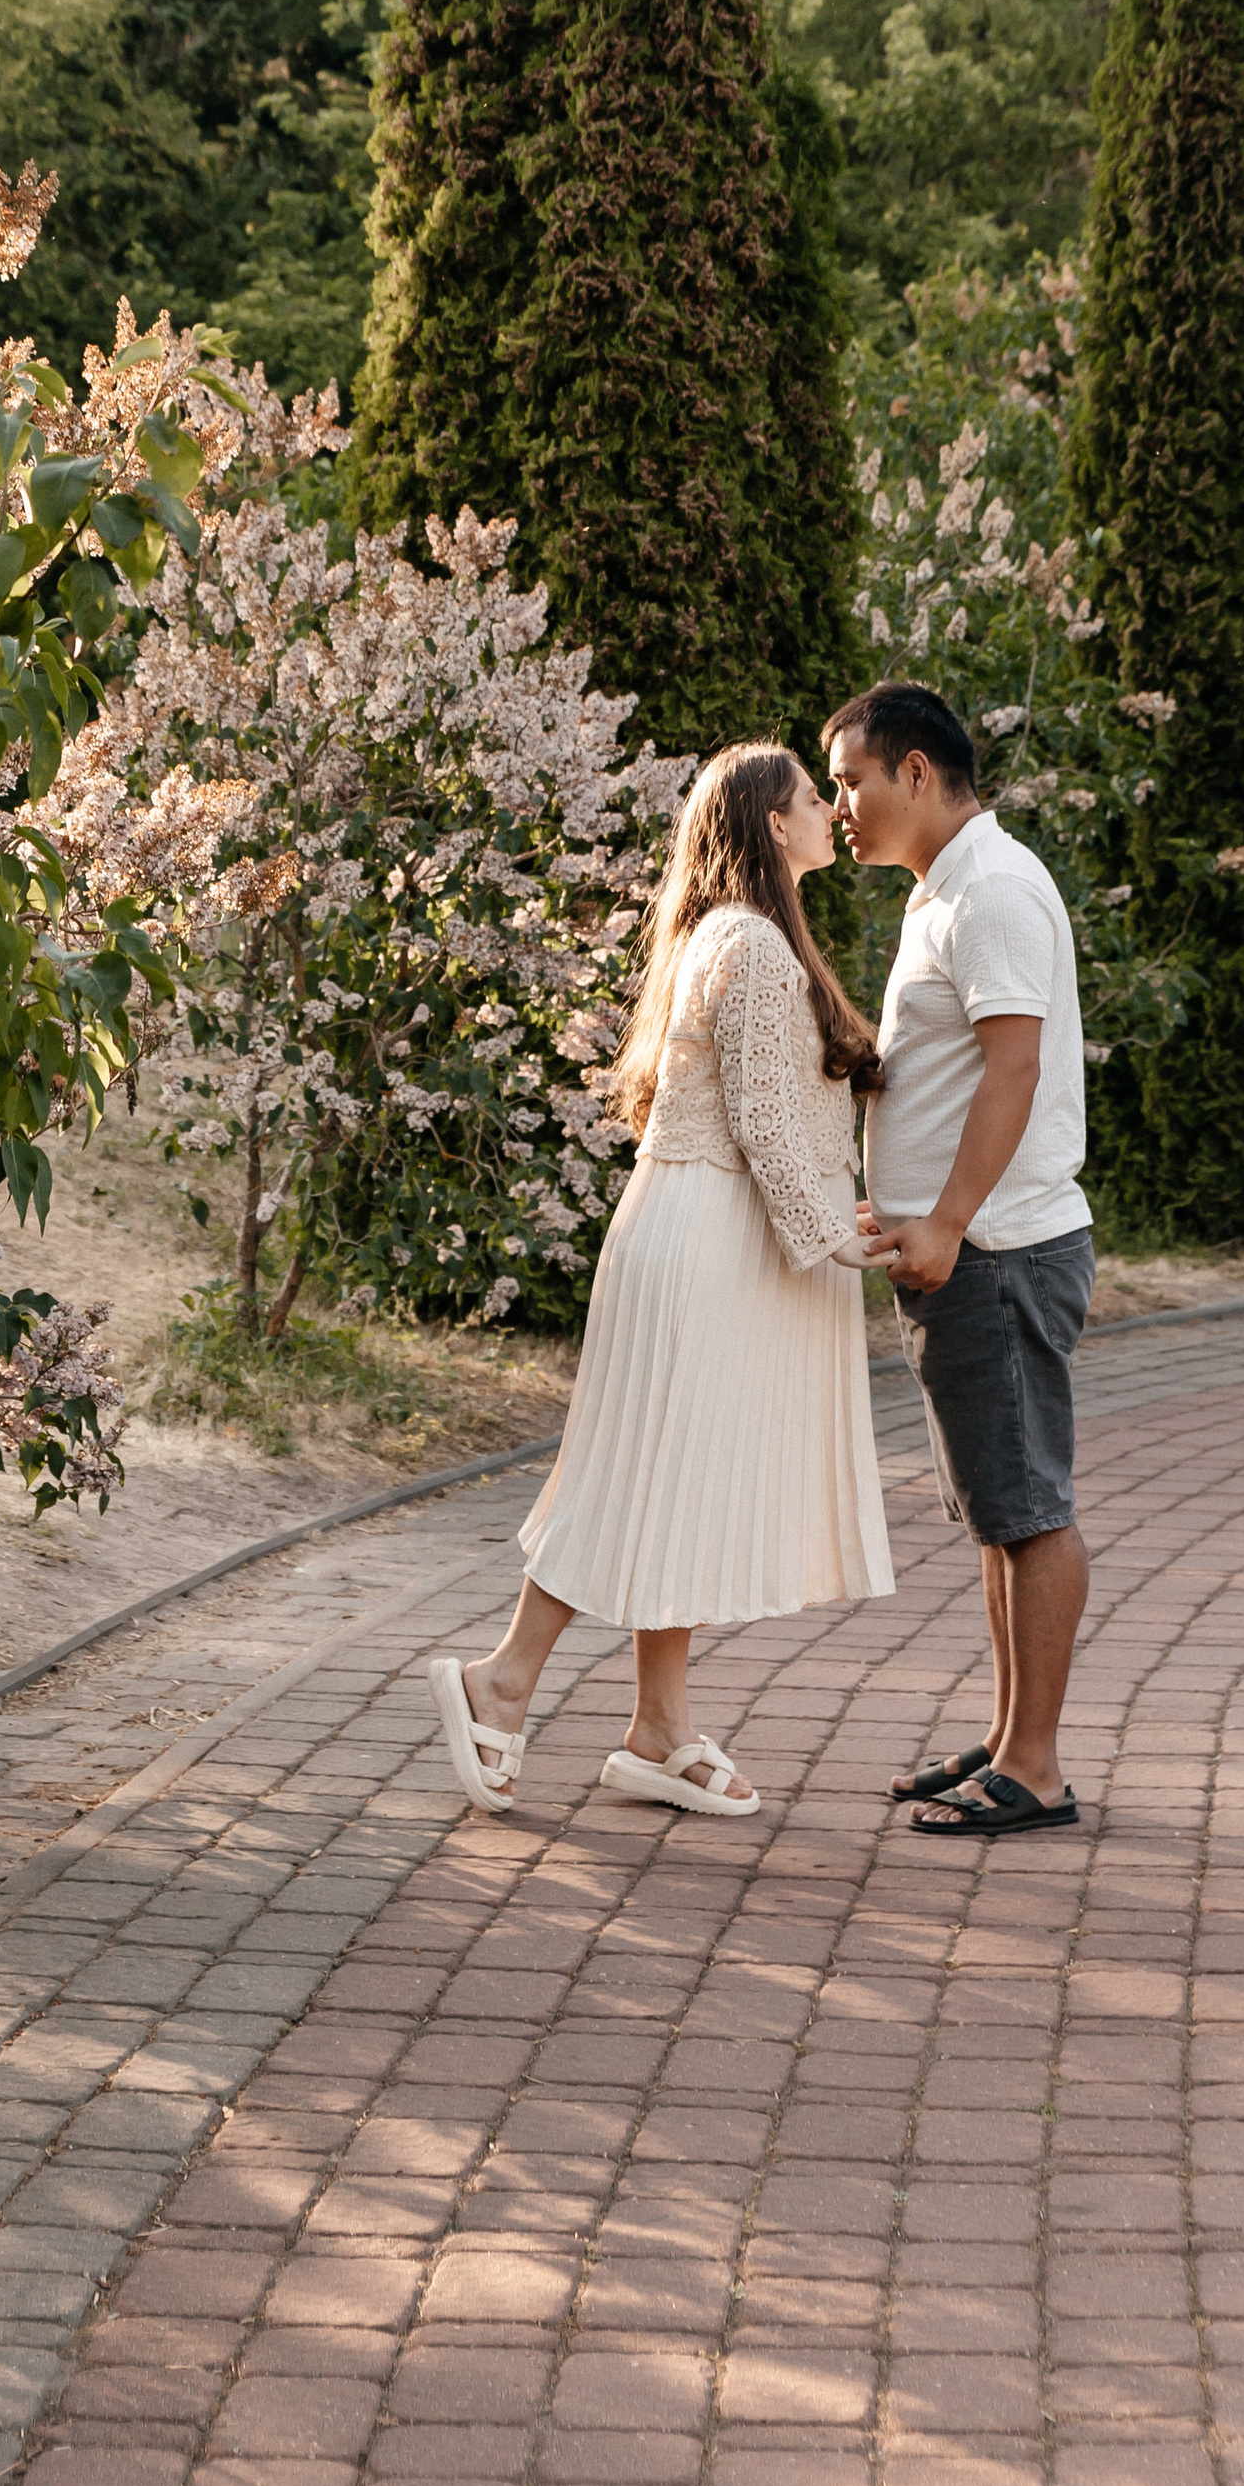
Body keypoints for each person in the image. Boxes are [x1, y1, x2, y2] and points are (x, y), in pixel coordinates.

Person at [426, 740, 893, 1821]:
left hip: (701, 1228)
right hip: (706, 1239)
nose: (830, 813)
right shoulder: (748, 947)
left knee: (672, 1475)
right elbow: (766, 1127)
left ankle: (657, 1727)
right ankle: (499, 1682)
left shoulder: (737, 938)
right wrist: (840, 1236)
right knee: (636, 1472)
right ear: (774, 825)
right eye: (813, 800)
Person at [828, 679, 1093, 1839]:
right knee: (999, 1508)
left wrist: (941, 1222)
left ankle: (1033, 1765)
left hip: (994, 1251)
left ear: (916, 774)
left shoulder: (987, 891)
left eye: (851, 780)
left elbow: (1015, 1072)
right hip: (965, 1255)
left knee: (1029, 1507)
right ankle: (1004, 1738)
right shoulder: (943, 893)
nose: (841, 805)